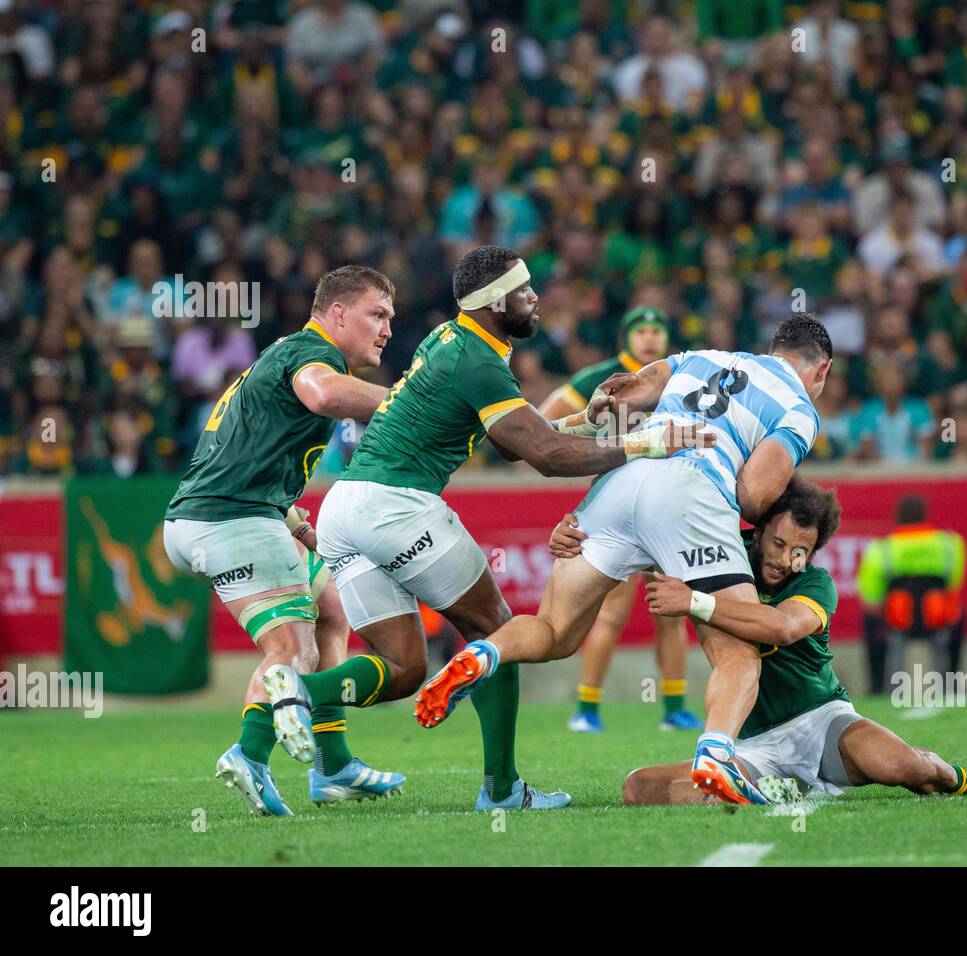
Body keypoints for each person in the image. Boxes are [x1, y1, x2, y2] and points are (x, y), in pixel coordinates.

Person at [265, 246, 711, 811]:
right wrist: (642, 443)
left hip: (345, 509)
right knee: (496, 633)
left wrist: (588, 418)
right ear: (497, 301)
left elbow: (508, 441)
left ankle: (299, 691)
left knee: (402, 668)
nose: (535, 300)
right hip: (397, 504)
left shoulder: (452, 341)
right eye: (525, 291)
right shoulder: (479, 360)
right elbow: (544, 455)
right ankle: (502, 790)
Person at [416, 313, 832, 807]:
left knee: (553, 631)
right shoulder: (799, 407)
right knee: (737, 653)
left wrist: (609, 401)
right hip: (691, 490)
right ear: (821, 369)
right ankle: (716, 755)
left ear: (773, 346)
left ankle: (481, 655)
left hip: (621, 477)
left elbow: (638, 387)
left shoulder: (705, 357)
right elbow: (754, 494)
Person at [618, 478, 967, 804]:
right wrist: (577, 537)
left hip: (821, 721)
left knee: (906, 767)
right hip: (751, 744)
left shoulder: (817, 584)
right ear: (758, 531)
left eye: (801, 550)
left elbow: (780, 627)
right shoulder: (722, 559)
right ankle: (778, 787)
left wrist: (692, 600)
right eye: (779, 543)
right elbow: (643, 534)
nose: (786, 559)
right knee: (638, 787)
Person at [163, 265, 403, 816]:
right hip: (230, 521)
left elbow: (246, 457)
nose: (387, 328)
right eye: (377, 314)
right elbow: (321, 396)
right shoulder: (310, 356)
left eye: (391, 317)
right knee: (290, 650)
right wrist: (410, 402)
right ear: (337, 314)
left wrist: (294, 522)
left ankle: (334, 766)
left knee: (333, 610)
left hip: (222, 516)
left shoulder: (283, 353)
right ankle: (249, 755)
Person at [539, 306, 701, 732]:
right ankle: (587, 709)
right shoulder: (606, 375)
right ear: (626, 338)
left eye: (656, 330)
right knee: (611, 612)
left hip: (665, 503)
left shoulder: (675, 376)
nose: (649, 337)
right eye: (640, 329)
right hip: (618, 504)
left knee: (670, 611)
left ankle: (674, 707)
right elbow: (543, 423)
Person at [858, 495, 967, 696]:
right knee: (960, 614)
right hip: (938, 618)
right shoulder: (949, 543)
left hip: (898, 620)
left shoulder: (882, 548)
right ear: (924, 515)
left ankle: (877, 687)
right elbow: (954, 584)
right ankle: (952, 682)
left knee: (870, 620)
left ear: (897, 517)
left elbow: (871, 598)